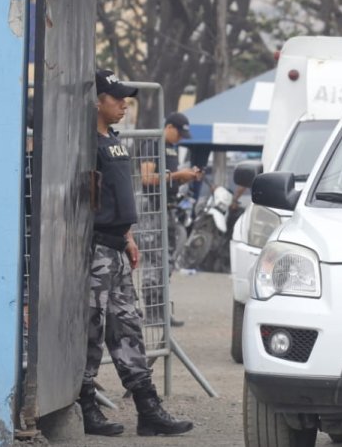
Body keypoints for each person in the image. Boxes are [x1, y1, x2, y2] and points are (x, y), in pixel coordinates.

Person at [80, 69, 194, 437]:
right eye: (116, 99)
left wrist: (128, 236)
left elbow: (117, 194)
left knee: (128, 327)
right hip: (94, 249)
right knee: (92, 330)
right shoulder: (83, 143)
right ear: (97, 101)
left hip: (115, 246)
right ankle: (85, 407)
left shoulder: (111, 139)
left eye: (125, 99)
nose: (124, 105)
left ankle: (148, 409)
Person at [138, 112, 203, 326]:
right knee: (153, 260)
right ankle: (152, 313)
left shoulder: (171, 148)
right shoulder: (152, 144)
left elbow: (168, 181)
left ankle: (162, 312)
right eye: (180, 133)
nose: (181, 138)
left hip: (168, 209)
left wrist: (187, 177)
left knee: (166, 261)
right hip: (152, 209)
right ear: (169, 127)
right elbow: (146, 178)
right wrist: (177, 176)